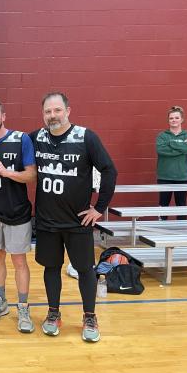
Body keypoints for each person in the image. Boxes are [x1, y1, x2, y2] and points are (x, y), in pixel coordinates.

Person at [30, 92, 117, 343]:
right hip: (47, 222)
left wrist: (99, 208)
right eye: (48, 111)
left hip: (78, 221)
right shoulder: (36, 138)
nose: (52, 116)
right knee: (51, 268)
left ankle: (90, 316)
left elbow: (109, 170)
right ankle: (53, 313)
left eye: (57, 110)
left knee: (85, 270)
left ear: (68, 110)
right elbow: (7, 142)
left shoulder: (86, 137)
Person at [0, 100, 36, 333]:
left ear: (3, 116)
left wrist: (7, 172)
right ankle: (0, 301)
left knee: (19, 260)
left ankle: (23, 306)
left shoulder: (21, 139)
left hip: (17, 210)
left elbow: (31, 175)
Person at [156, 105, 187, 220]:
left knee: (181, 206)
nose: (174, 120)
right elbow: (161, 150)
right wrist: (180, 147)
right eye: (171, 118)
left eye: (176, 118)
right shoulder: (162, 136)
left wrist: (171, 143)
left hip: (183, 177)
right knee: (163, 206)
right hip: (165, 176)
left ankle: (181, 232)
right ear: (168, 120)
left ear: (182, 119)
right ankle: (160, 231)